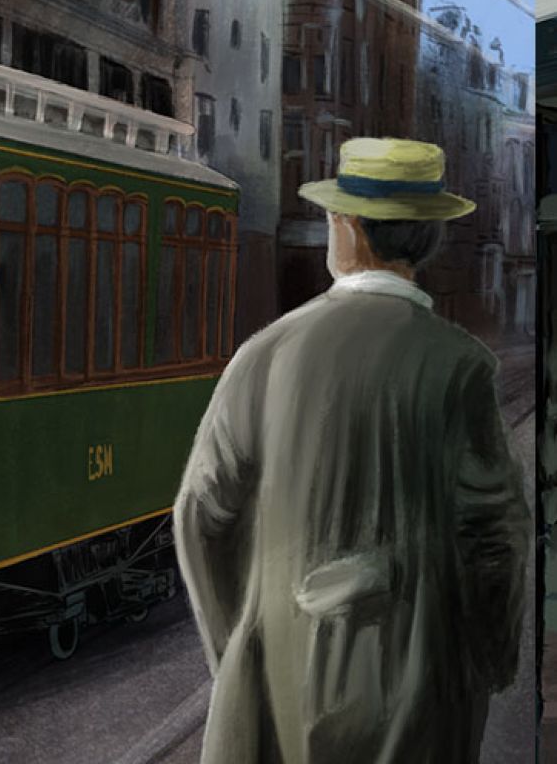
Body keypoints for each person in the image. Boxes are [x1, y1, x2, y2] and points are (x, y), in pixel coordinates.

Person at [174, 138, 530, 763]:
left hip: (280, 694)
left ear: (347, 229)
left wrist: (239, 650)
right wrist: (489, 660)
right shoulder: (462, 368)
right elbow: (496, 536)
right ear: (428, 239)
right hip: (423, 692)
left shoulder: (265, 355)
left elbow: (200, 512)